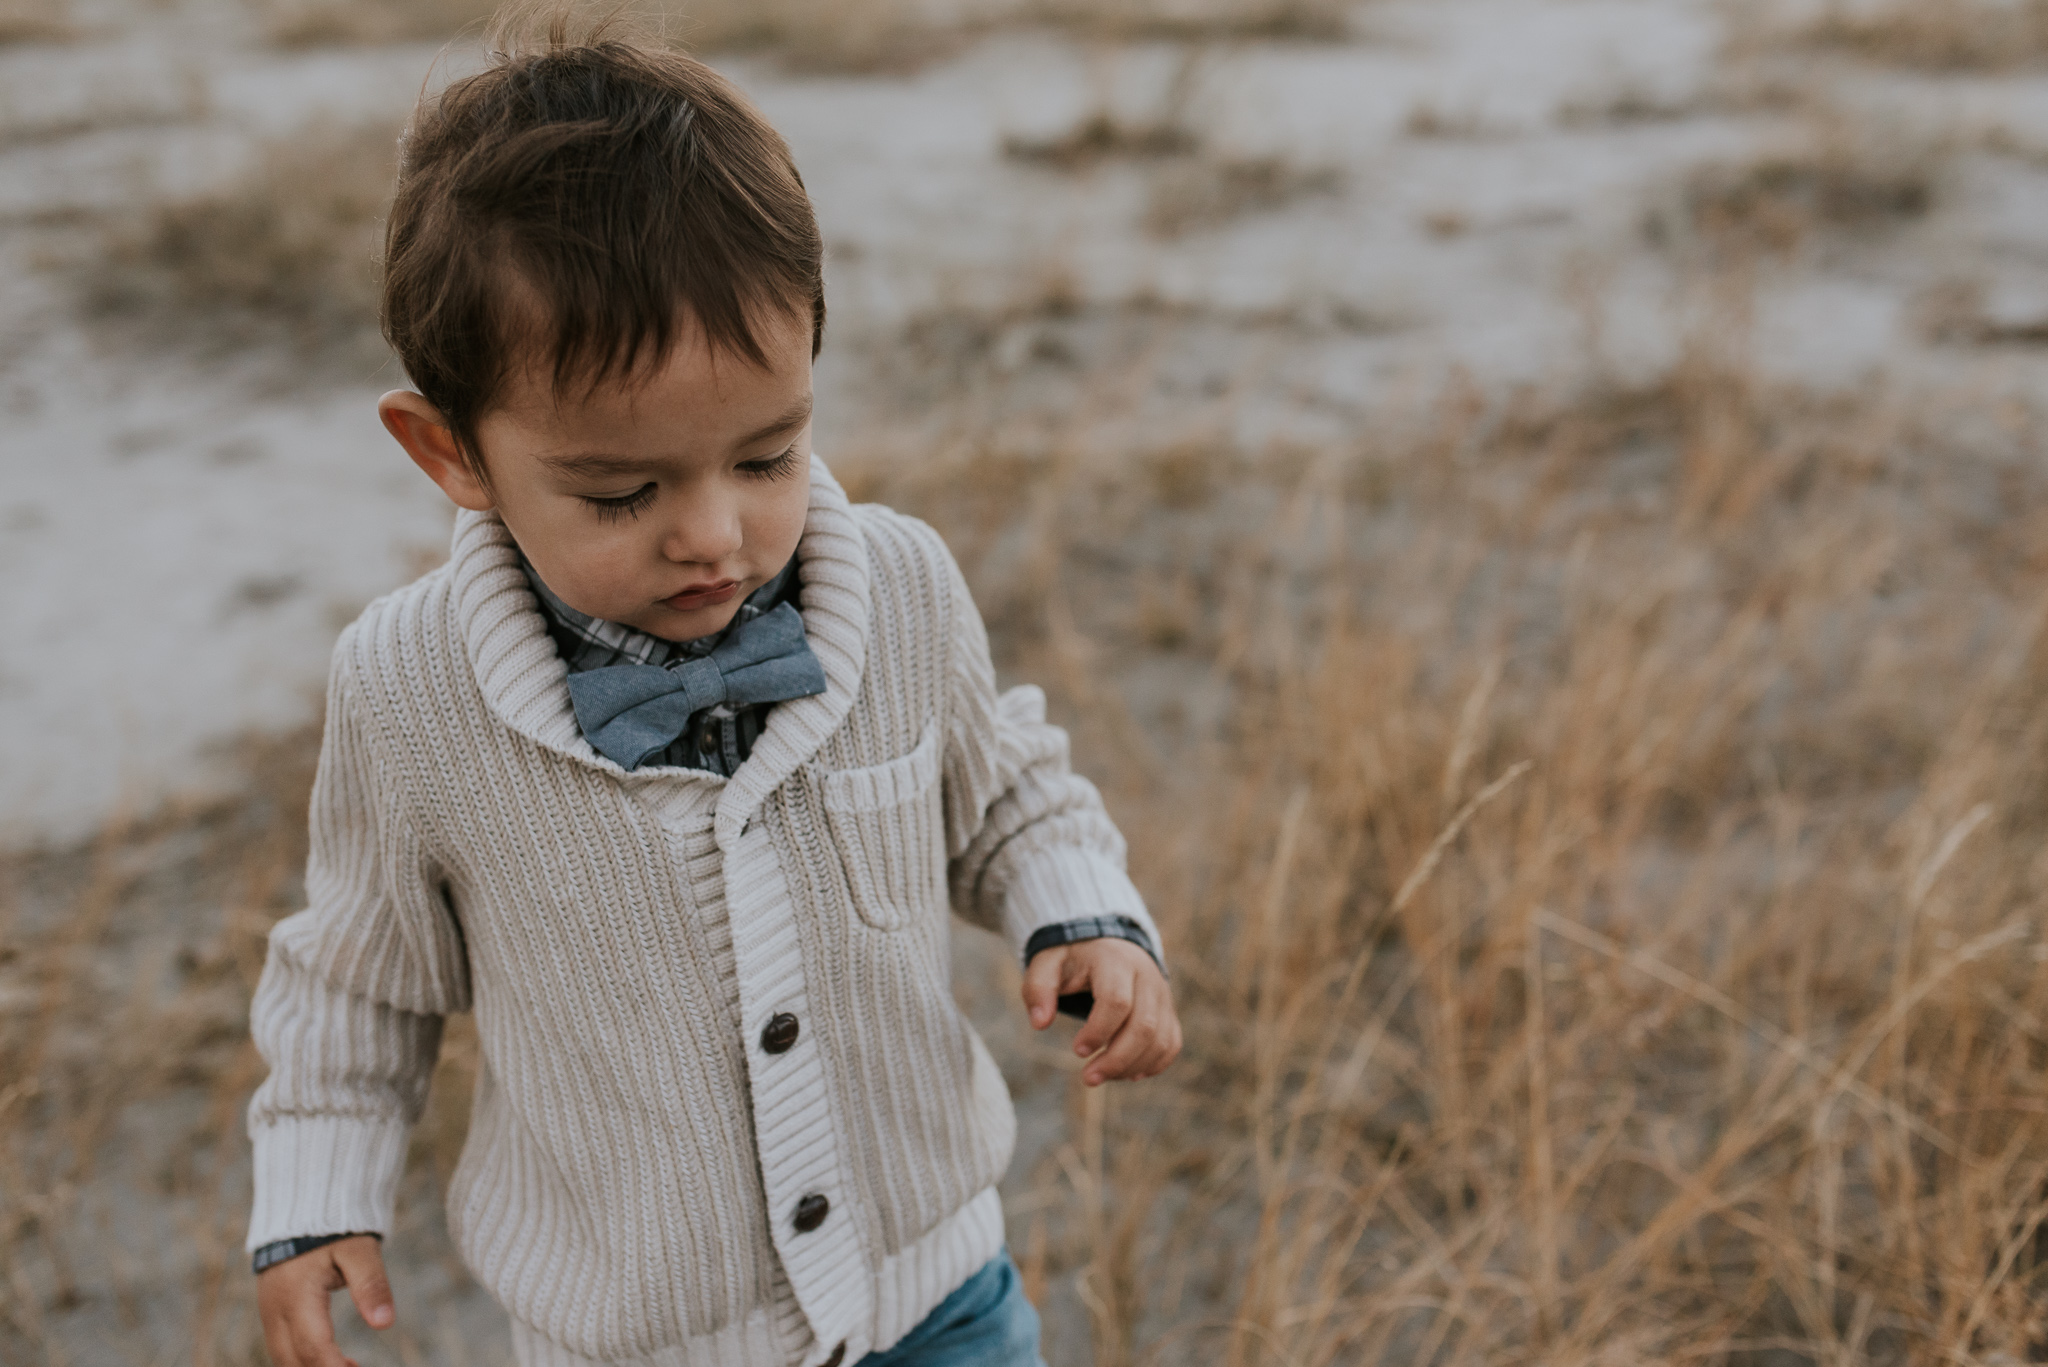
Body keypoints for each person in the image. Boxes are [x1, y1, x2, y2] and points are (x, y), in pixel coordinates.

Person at [244, 11, 1181, 1367]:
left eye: (767, 456)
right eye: (621, 491)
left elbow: (1008, 796)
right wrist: (316, 1194)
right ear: (448, 450)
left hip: (931, 1291)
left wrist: (1083, 915)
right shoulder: (409, 691)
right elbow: (356, 982)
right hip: (633, 1339)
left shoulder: (900, 587)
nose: (715, 536)